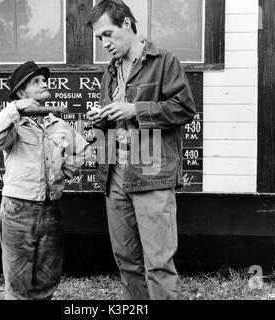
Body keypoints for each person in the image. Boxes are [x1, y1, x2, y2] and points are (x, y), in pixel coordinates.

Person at [86, 0, 196, 300]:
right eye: (99, 39)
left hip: (152, 174)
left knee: (158, 264)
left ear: (127, 24)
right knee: (127, 261)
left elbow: (184, 109)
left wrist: (134, 109)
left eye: (108, 34)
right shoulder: (109, 72)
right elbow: (115, 118)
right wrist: (102, 117)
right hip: (115, 174)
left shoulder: (164, 61)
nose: (104, 44)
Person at [0, 61, 90, 300]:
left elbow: (82, 150)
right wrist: (15, 109)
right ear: (21, 93)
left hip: (52, 210)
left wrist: (64, 173)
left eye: (44, 80)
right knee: (18, 284)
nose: (44, 84)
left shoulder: (58, 124)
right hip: (18, 209)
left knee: (46, 281)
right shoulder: (13, 123)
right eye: (36, 82)